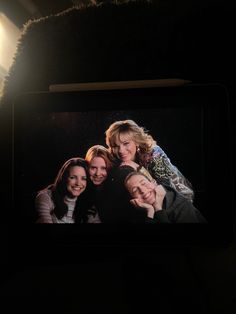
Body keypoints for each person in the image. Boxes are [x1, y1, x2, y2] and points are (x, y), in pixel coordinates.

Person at [105, 119, 194, 202]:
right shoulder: (114, 159)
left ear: (136, 141)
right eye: (115, 146)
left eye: (126, 143)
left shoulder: (153, 153)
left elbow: (166, 188)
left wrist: (137, 167)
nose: (121, 150)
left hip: (179, 198)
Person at [124, 171, 207, 223]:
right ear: (133, 198)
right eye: (135, 190)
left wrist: (158, 208)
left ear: (154, 183)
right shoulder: (139, 212)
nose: (142, 190)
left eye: (144, 183)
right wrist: (150, 212)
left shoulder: (181, 205)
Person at [35, 157, 89, 223]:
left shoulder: (86, 203)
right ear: (64, 177)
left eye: (83, 178)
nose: (78, 183)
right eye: (72, 177)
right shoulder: (46, 197)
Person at [84, 145, 114, 223]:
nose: (98, 173)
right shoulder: (79, 189)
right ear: (87, 167)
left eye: (103, 168)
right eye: (93, 168)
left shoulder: (114, 190)